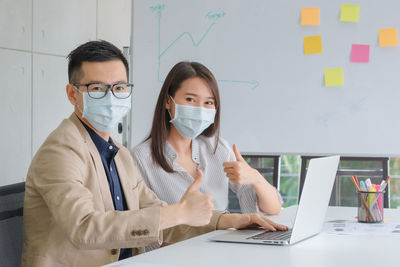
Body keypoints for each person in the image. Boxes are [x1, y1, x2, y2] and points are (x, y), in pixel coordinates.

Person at [21, 41, 287, 267]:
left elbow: (159, 215)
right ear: (72, 94)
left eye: (120, 88)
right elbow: (85, 228)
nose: (112, 97)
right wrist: (180, 213)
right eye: (97, 89)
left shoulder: (119, 154)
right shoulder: (60, 151)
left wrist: (232, 220)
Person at [131, 61, 282, 215]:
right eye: (190, 99)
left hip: (220, 237)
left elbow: (273, 209)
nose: (200, 110)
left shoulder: (218, 149)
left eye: (208, 102)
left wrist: (256, 178)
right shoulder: (141, 158)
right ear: (168, 101)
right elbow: (141, 223)